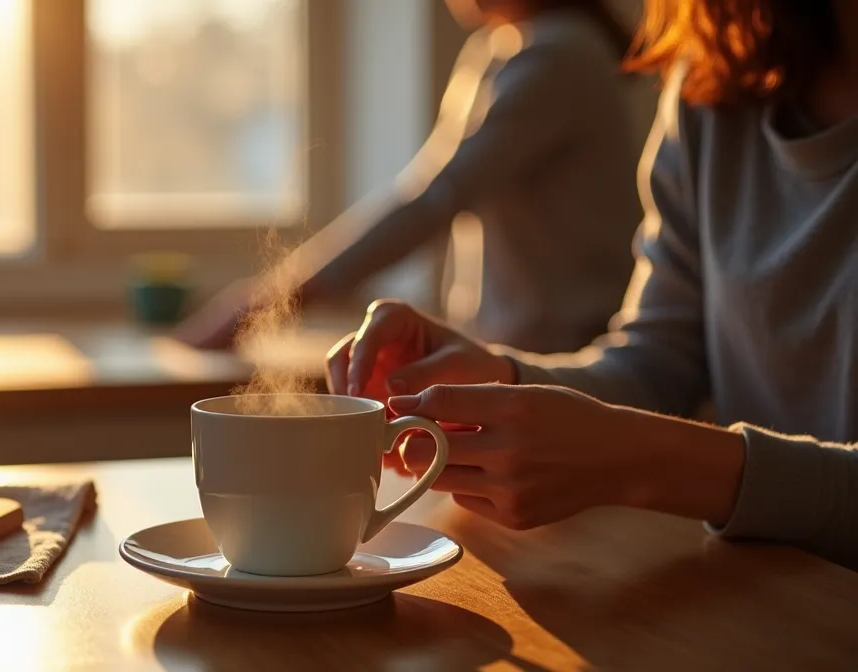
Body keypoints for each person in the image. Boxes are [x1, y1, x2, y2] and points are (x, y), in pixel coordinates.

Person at [325, 0, 858, 569]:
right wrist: (506, 378)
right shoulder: (715, 88)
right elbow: (659, 364)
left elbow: (435, 194)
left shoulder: (563, 54)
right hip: (764, 592)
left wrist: (641, 458)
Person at [175, 0, 648, 355]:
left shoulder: (559, 55)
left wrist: (273, 302)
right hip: (517, 345)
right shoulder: (502, 47)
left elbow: (434, 198)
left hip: (561, 351)